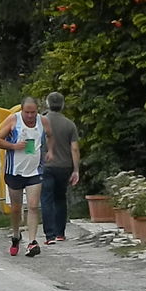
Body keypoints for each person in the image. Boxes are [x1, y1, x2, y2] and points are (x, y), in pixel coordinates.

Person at [0, 96, 54, 257]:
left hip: (35, 171)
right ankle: (16, 235)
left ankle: (32, 242)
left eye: (33, 112)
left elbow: (50, 135)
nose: (30, 116)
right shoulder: (13, 120)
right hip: (14, 171)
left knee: (34, 206)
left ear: (37, 111)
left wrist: (50, 151)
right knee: (16, 208)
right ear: (22, 110)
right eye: (27, 112)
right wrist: (14, 146)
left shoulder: (43, 121)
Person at [40, 92, 80, 244]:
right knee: (60, 198)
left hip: (46, 165)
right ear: (62, 105)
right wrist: (76, 169)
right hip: (64, 166)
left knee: (46, 199)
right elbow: (74, 149)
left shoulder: (41, 122)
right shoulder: (69, 124)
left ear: (47, 104)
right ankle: (60, 233)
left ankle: (49, 235)